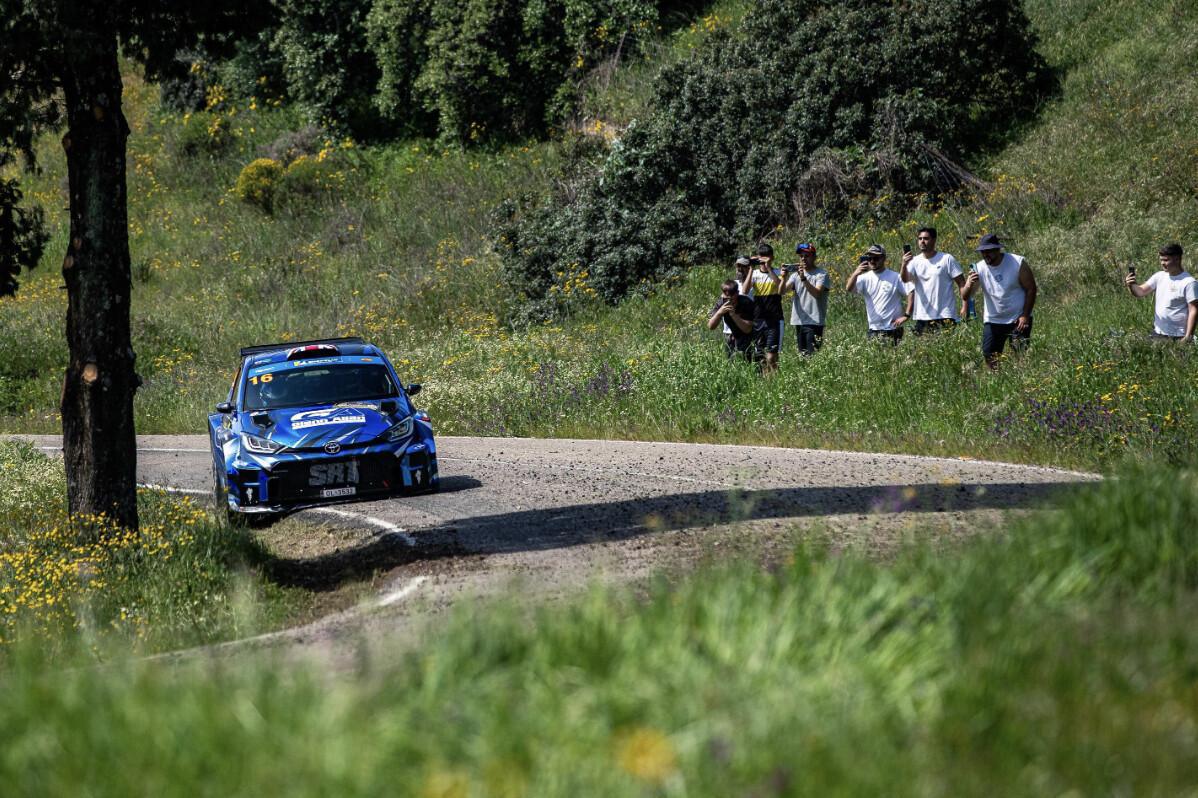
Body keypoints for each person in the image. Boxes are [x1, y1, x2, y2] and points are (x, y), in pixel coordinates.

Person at [961, 233, 1038, 368]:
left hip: (1018, 318)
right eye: (983, 252)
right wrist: (969, 284)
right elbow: (965, 296)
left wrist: (1025, 315)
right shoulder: (979, 268)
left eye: (989, 251)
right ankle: (997, 377)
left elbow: (1031, 288)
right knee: (989, 354)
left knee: (1020, 354)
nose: (986, 255)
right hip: (993, 320)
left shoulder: (1017, 263)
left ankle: (1020, 377)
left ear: (998, 249)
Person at [1124, 243, 1197, 343]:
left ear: (1177, 259)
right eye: (1161, 260)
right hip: (1158, 332)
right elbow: (1140, 292)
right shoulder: (1159, 276)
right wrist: (1131, 284)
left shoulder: (1189, 282)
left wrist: (1188, 336)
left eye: (1166, 260)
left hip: (1178, 336)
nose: (1162, 263)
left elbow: (1194, 310)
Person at [900, 226, 964, 334]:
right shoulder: (914, 261)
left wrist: (965, 306)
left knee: (944, 344)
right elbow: (905, 279)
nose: (922, 241)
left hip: (944, 315)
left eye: (926, 238)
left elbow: (962, 283)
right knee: (923, 345)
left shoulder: (946, 259)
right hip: (922, 315)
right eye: (920, 239)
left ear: (934, 240)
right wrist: (904, 264)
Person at [845, 244, 912, 345]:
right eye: (869, 258)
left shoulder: (895, 277)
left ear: (883, 258)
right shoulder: (864, 278)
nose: (872, 261)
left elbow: (911, 291)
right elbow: (849, 289)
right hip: (873, 329)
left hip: (893, 329)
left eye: (876, 258)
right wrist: (855, 273)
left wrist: (906, 315)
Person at [740, 243, 784, 373]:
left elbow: (780, 288)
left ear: (772, 258)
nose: (763, 261)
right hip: (759, 319)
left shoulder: (777, 273)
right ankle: (766, 381)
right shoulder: (754, 274)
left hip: (774, 319)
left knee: (772, 357)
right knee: (761, 357)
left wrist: (769, 268)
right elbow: (744, 290)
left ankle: (776, 379)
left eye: (766, 257)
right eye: (761, 257)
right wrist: (751, 269)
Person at [781, 242, 829, 355]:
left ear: (814, 257)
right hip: (799, 321)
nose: (803, 259)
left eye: (807, 256)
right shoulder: (795, 275)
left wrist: (803, 278)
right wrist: (783, 277)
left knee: (812, 356)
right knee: (803, 355)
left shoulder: (821, 274)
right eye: (801, 256)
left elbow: (817, 293)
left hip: (814, 321)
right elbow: (782, 291)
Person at [707, 279, 757, 361]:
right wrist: (720, 312)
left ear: (737, 293)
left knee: (750, 361)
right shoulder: (721, 302)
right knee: (731, 361)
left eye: (731, 297)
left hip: (752, 337)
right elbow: (711, 326)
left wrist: (733, 314)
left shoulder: (746, 302)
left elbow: (747, 329)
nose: (729, 300)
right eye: (726, 297)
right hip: (734, 336)